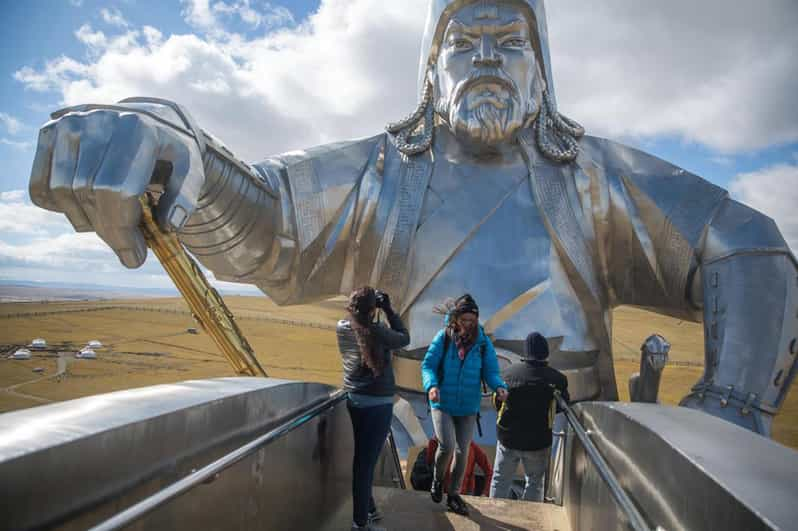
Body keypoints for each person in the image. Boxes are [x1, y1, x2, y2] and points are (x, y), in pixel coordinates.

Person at [30, 0, 797, 436]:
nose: (488, 57)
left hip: (580, 446)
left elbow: (748, 244)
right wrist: (175, 144)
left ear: (543, 69)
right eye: (466, 41)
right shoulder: (381, 174)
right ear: (432, 69)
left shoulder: (594, 180)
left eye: (511, 42)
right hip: (405, 438)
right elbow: (269, 225)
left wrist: (732, 407)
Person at [421, 294, 507, 516]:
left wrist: (499, 386)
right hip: (442, 403)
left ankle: (454, 494)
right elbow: (428, 365)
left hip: (468, 406)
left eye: (472, 320)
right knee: (447, 445)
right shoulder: (444, 337)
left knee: (463, 451)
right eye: (465, 319)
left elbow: (491, 371)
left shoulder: (482, 343)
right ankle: (438, 481)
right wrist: (431, 385)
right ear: (456, 318)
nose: (468, 324)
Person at [338, 287, 410, 531]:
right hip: (377, 405)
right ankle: (360, 524)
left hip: (352, 399)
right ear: (372, 310)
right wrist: (388, 309)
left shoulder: (342, 327)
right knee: (365, 464)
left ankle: (368, 510)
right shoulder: (378, 332)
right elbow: (404, 337)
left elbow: (360, 330)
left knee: (361, 461)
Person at [490, 332, 569, 501]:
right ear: (546, 353)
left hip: (508, 438)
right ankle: (530, 519)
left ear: (526, 352)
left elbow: (497, 401)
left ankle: (493, 518)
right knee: (535, 483)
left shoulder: (507, 373)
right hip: (538, 441)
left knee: (500, 480)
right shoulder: (558, 379)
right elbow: (562, 406)